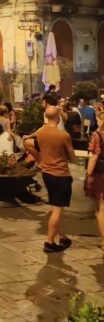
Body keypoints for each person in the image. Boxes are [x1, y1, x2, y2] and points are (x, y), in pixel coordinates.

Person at [25, 105, 76, 252]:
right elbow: (72, 157)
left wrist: (40, 158)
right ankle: (49, 242)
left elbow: (27, 140)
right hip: (61, 174)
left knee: (55, 206)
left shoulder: (41, 132)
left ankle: (63, 237)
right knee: (58, 209)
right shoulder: (63, 136)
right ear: (59, 117)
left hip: (47, 173)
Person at [85, 111, 104, 250]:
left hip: (101, 175)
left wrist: (88, 174)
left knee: (101, 208)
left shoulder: (97, 135)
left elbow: (93, 157)